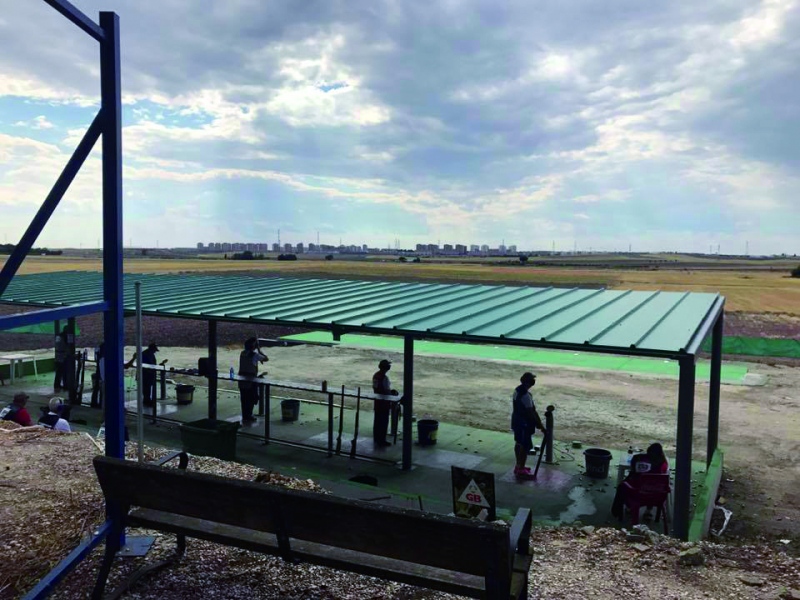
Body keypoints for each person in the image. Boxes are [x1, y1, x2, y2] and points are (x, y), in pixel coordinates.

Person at [611, 443, 670, 519]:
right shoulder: (663, 463)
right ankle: (648, 511)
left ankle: (628, 507)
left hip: (637, 493)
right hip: (657, 495)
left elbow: (632, 473)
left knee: (623, 486)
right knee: (653, 485)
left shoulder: (637, 458)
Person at [511, 372, 545, 479]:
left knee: (518, 443)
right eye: (531, 380)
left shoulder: (517, 390)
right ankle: (520, 469)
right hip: (524, 424)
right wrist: (540, 425)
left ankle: (518, 465)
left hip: (516, 421)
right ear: (527, 382)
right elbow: (531, 412)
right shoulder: (526, 396)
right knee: (524, 446)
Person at [238, 337, 268, 424]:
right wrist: (259, 350)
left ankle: (245, 416)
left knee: (244, 399)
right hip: (250, 381)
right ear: (254, 346)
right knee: (251, 399)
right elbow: (266, 359)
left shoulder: (242, 353)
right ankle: (249, 416)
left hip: (241, 379)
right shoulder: (255, 355)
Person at [371, 359, 398, 447]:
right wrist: (392, 393)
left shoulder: (376, 375)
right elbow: (386, 391)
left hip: (377, 401)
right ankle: (381, 440)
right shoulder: (384, 378)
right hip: (384, 402)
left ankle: (376, 438)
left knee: (377, 421)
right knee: (383, 422)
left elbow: (375, 388)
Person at [125, 343, 161, 407]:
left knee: (147, 388)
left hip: (148, 374)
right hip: (144, 374)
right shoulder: (144, 354)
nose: (155, 351)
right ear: (151, 349)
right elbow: (144, 366)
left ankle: (147, 400)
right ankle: (146, 401)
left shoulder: (150, 354)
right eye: (154, 350)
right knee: (146, 389)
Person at [54, 327, 69, 392]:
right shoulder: (64, 337)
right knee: (63, 372)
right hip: (62, 357)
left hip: (58, 356)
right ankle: (65, 385)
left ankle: (57, 385)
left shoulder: (58, 336)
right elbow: (67, 346)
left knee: (59, 372)